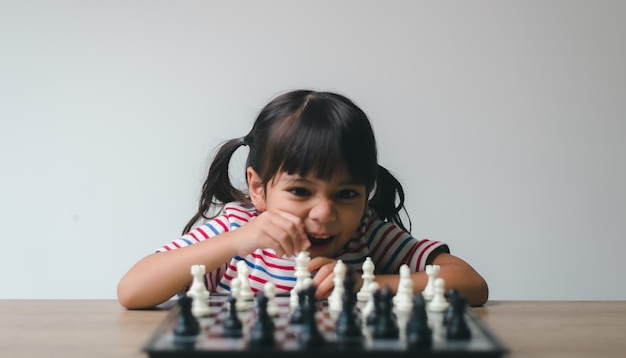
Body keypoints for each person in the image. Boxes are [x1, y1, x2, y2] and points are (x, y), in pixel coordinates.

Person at [117, 89, 488, 309]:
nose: (325, 213)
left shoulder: (367, 233)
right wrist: (231, 243)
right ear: (258, 189)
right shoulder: (235, 231)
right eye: (300, 191)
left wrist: (366, 284)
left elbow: (471, 284)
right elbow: (132, 291)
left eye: (346, 194)